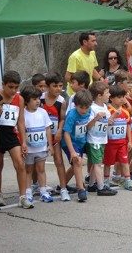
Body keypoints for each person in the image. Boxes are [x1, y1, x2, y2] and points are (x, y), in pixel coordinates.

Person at [0, 71, 31, 208]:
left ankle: (23, 197)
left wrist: (24, 141)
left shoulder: (19, 99)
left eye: (16, 87)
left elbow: (20, 121)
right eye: (10, 87)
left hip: (10, 134)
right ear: (3, 85)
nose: (13, 90)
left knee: (20, 163)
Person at [40, 71, 72, 201]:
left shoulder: (61, 101)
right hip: (40, 135)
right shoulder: (40, 98)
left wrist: (59, 130)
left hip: (55, 136)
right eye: (55, 86)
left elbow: (62, 118)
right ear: (47, 86)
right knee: (37, 163)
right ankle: (37, 187)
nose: (58, 89)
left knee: (59, 161)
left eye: (60, 86)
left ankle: (63, 189)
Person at [20, 86, 54, 204]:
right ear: (26, 101)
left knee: (41, 169)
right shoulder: (23, 114)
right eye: (34, 99)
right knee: (28, 170)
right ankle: (28, 192)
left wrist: (50, 144)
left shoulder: (43, 112)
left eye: (38, 98)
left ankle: (43, 191)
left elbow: (47, 128)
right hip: (29, 149)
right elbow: (21, 130)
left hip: (41, 147)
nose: (38, 101)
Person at [85, 81, 117, 196]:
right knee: (98, 163)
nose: (109, 95)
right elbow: (88, 126)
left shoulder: (104, 107)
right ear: (99, 95)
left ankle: (92, 184)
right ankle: (101, 187)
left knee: (96, 163)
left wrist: (113, 117)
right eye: (107, 93)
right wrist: (96, 119)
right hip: (93, 140)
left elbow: (107, 122)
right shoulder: (92, 109)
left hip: (102, 139)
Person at [61, 89, 93, 202]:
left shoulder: (89, 111)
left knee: (75, 164)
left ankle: (62, 184)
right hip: (69, 141)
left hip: (81, 140)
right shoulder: (72, 115)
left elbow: (87, 126)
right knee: (77, 161)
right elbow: (66, 134)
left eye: (86, 107)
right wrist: (72, 151)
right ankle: (81, 189)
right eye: (81, 107)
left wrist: (97, 119)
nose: (84, 110)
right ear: (75, 105)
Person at [104, 85, 132, 191]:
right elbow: (105, 125)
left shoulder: (126, 111)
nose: (122, 99)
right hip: (110, 143)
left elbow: (128, 126)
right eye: (119, 97)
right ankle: (106, 182)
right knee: (108, 163)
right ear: (111, 98)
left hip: (122, 143)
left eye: (123, 96)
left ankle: (127, 181)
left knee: (124, 161)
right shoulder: (107, 110)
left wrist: (130, 141)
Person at [65, 33, 102, 97]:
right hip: (74, 95)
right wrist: (79, 87)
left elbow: (92, 69)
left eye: (95, 41)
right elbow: (68, 77)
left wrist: (101, 79)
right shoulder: (75, 57)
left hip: (88, 92)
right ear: (85, 42)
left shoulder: (92, 53)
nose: (96, 44)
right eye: (93, 41)